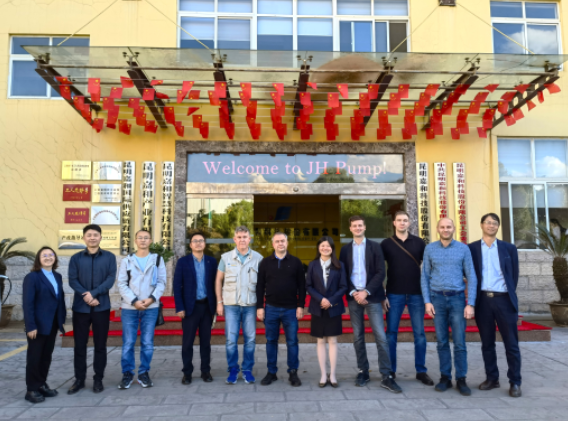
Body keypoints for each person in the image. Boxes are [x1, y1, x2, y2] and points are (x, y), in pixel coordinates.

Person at [339, 215, 402, 393]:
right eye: (354, 226)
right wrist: (354, 292)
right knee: (358, 336)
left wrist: (366, 291)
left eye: (360, 225)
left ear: (365, 227)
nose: (358, 228)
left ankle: (386, 375)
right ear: (350, 229)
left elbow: (381, 272)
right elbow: (343, 274)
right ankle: (363, 371)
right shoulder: (345, 250)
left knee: (380, 336)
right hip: (354, 298)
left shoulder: (375, 247)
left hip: (372, 297)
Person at [421, 218, 478, 396]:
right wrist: (427, 301)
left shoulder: (463, 249)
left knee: (459, 342)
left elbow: (472, 276)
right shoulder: (430, 249)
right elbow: (424, 276)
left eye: (448, 227)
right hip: (437, 299)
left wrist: (471, 303)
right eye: (442, 227)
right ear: (438, 229)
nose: (445, 229)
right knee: (442, 341)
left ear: (453, 228)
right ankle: (445, 377)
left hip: (457, 300)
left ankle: (461, 378)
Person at [468, 213, 522, 398]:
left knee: (511, 343)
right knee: (487, 343)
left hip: (504, 300)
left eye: (495, 223)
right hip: (483, 300)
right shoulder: (472, 248)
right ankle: (492, 378)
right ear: (481, 225)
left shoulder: (509, 248)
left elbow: (513, 275)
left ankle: (515, 381)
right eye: (488, 222)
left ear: (498, 226)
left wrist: (506, 294)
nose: (491, 225)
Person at [381, 211, 433, 386]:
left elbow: (428, 267)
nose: (402, 223)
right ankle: (390, 370)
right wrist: (382, 294)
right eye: (399, 220)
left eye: (405, 220)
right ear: (394, 223)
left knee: (419, 334)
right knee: (391, 334)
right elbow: (379, 269)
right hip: (394, 293)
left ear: (409, 223)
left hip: (416, 293)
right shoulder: (386, 244)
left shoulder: (419, 243)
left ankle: (421, 371)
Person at [67, 224, 117, 395]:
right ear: (84, 238)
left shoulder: (109, 257)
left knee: (100, 345)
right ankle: (79, 380)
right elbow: (72, 280)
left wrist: (94, 294)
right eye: (89, 235)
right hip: (80, 308)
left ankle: (98, 379)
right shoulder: (76, 258)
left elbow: (110, 279)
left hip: (101, 307)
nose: (92, 238)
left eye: (95, 235)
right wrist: (86, 296)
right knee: (79, 345)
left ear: (101, 237)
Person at [116, 229, 167, 389]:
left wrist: (151, 299)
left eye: (146, 238)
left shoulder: (157, 259)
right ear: (135, 241)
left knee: (147, 342)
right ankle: (127, 373)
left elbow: (162, 282)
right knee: (128, 342)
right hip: (129, 308)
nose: (143, 240)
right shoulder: (127, 261)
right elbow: (121, 284)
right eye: (140, 238)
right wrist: (134, 301)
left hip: (151, 307)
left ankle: (144, 372)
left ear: (150, 241)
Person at [257, 232, 306, 387]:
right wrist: (260, 307)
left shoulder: (296, 262)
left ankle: (293, 372)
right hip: (271, 308)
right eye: (277, 241)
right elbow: (260, 286)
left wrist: (301, 305)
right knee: (271, 341)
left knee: (292, 342)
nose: (280, 243)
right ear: (273, 244)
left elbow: (302, 286)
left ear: (287, 243)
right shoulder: (265, 263)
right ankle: (271, 372)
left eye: (283, 241)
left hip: (290, 309)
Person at [215, 226, 263, 384]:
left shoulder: (258, 258)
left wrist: (261, 305)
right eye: (239, 237)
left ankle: (247, 369)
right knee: (231, 339)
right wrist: (219, 302)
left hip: (250, 304)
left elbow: (263, 283)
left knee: (250, 339)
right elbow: (218, 280)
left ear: (250, 239)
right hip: (231, 305)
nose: (242, 240)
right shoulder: (225, 258)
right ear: (234, 239)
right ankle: (233, 369)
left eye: (245, 237)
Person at [22, 247, 66, 403]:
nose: (48, 257)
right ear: (39, 259)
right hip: (38, 325)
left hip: (52, 324)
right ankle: (31, 389)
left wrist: (61, 320)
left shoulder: (57, 276)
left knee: (46, 356)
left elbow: (59, 299)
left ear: (55, 258)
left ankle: (41, 384)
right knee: (35, 357)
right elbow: (28, 303)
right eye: (44, 255)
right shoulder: (32, 277)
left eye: (51, 255)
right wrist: (30, 325)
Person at [173, 231, 218, 385]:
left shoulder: (212, 261)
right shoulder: (183, 262)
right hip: (189, 308)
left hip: (207, 307)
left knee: (206, 342)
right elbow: (177, 286)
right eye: (195, 241)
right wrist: (179, 307)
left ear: (205, 244)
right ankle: (187, 373)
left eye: (201, 241)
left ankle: (206, 371)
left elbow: (216, 284)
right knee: (187, 343)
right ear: (190, 244)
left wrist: (217, 304)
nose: (198, 243)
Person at [306, 236, 347, 388]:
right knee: (320, 341)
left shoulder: (339, 265)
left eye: (328, 246)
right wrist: (321, 299)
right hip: (318, 308)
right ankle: (323, 374)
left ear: (332, 248)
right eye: (322, 245)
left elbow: (343, 286)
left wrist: (330, 301)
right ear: (318, 248)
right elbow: (309, 286)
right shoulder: (312, 265)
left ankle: (333, 374)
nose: (325, 248)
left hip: (334, 307)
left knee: (333, 341)